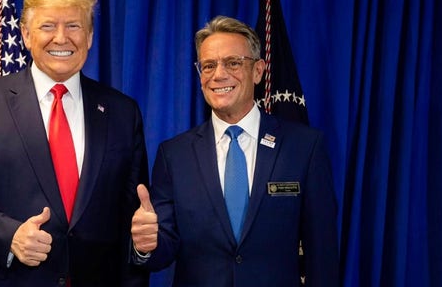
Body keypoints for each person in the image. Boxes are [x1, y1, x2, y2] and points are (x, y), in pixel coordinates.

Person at [0, 0, 149, 287]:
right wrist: (10, 235)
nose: (61, 38)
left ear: (89, 36)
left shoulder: (123, 112)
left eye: (74, 26)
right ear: (25, 34)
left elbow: (132, 214)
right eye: (48, 26)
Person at [131, 16, 339, 286]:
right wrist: (146, 245)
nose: (219, 75)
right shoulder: (174, 155)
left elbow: (321, 252)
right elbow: (163, 251)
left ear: (258, 71)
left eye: (233, 63)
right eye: (208, 66)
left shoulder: (304, 147)